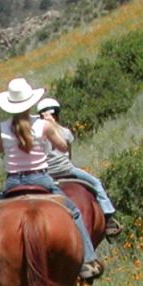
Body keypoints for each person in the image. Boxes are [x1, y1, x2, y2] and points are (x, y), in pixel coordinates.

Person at [0, 77, 103, 286]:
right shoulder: (43, 125)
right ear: (31, 102)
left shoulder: (2, 127)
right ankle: (88, 260)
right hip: (41, 179)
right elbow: (61, 145)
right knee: (74, 212)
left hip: (13, 181)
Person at [36, 98, 122, 236]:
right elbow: (68, 155)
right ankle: (109, 217)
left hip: (47, 174)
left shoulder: (38, 134)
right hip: (67, 170)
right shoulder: (65, 132)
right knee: (96, 183)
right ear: (57, 115)